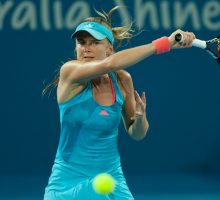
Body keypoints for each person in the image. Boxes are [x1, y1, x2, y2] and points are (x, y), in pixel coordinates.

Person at [43, 6, 195, 200]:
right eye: (81, 42)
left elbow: (136, 134)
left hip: (112, 178)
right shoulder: (70, 71)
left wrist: (139, 120)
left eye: (95, 42)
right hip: (68, 182)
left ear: (109, 49)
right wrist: (165, 43)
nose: (86, 48)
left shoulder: (123, 80)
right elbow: (110, 64)